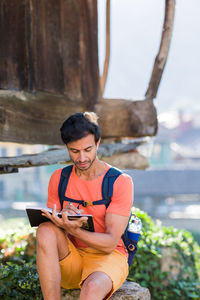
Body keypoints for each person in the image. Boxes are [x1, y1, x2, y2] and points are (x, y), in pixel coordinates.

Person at [36, 112, 133, 300]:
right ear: (67, 148)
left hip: (108, 259)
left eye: (88, 150)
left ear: (97, 144)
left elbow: (110, 243)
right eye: (74, 151)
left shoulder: (119, 182)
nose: (81, 158)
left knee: (92, 287)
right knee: (45, 229)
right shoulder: (59, 178)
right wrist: (63, 218)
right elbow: (53, 233)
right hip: (71, 259)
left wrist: (75, 230)